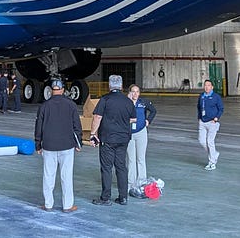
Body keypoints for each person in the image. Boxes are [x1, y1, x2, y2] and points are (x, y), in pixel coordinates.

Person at [34, 79, 82, 212]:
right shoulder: (71, 105)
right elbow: (77, 126)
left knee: (48, 176)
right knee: (66, 176)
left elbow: (38, 127)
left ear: (51, 91)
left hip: (48, 145)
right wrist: (78, 143)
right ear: (62, 90)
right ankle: (67, 206)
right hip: (67, 145)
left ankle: (48, 204)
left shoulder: (44, 106)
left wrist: (38, 144)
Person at [90, 75, 135, 206]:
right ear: (121, 86)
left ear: (109, 86)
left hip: (108, 138)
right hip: (123, 139)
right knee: (121, 167)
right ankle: (123, 197)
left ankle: (105, 198)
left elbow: (97, 117)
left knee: (106, 168)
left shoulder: (105, 99)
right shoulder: (128, 101)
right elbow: (133, 119)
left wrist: (93, 134)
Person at [126, 84, 157, 194]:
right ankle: (131, 183)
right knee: (131, 159)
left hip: (141, 132)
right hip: (129, 133)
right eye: (133, 91)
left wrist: (148, 120)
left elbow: (153, 111)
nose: (135, 94)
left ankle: (142, 182)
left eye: (137, 91)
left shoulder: (143, 102)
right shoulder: (126, 103)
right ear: (129, 92)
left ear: (139, 93)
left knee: (141, 158)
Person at [197, 79, 224, 170]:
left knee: (210, 142)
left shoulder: (216, 97)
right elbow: (199, 107)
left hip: (212, 122)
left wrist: (216, 118)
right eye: (205, 85)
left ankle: (212, 162)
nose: (207, 87)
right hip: (202, 122)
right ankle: (214, 154)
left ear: (212, 87)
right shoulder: (201, 96)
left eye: (208, 85)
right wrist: (199, 118)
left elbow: (221, 108)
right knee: (202, 141)